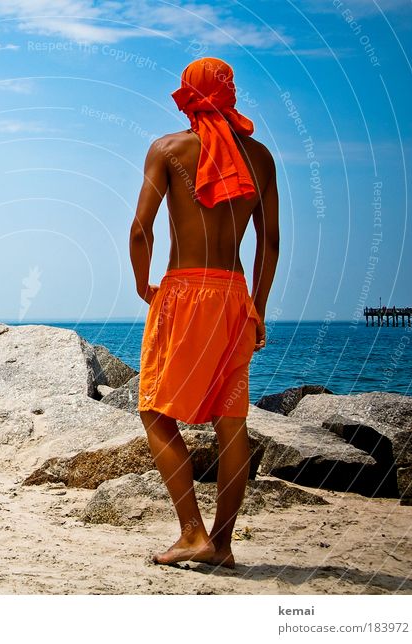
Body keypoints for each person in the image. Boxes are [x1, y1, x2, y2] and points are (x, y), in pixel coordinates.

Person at [129, 57, 279, 568]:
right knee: (230, 420)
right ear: (230, 95)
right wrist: (257, 307)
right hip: (235, 295)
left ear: (187, 94)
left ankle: (192, 531)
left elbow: (140, 231)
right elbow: (270, 244)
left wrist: (142, 284)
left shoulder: (168, 150)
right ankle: (224, 543)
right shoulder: (259, 157)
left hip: (185, 292)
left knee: (153, 408)